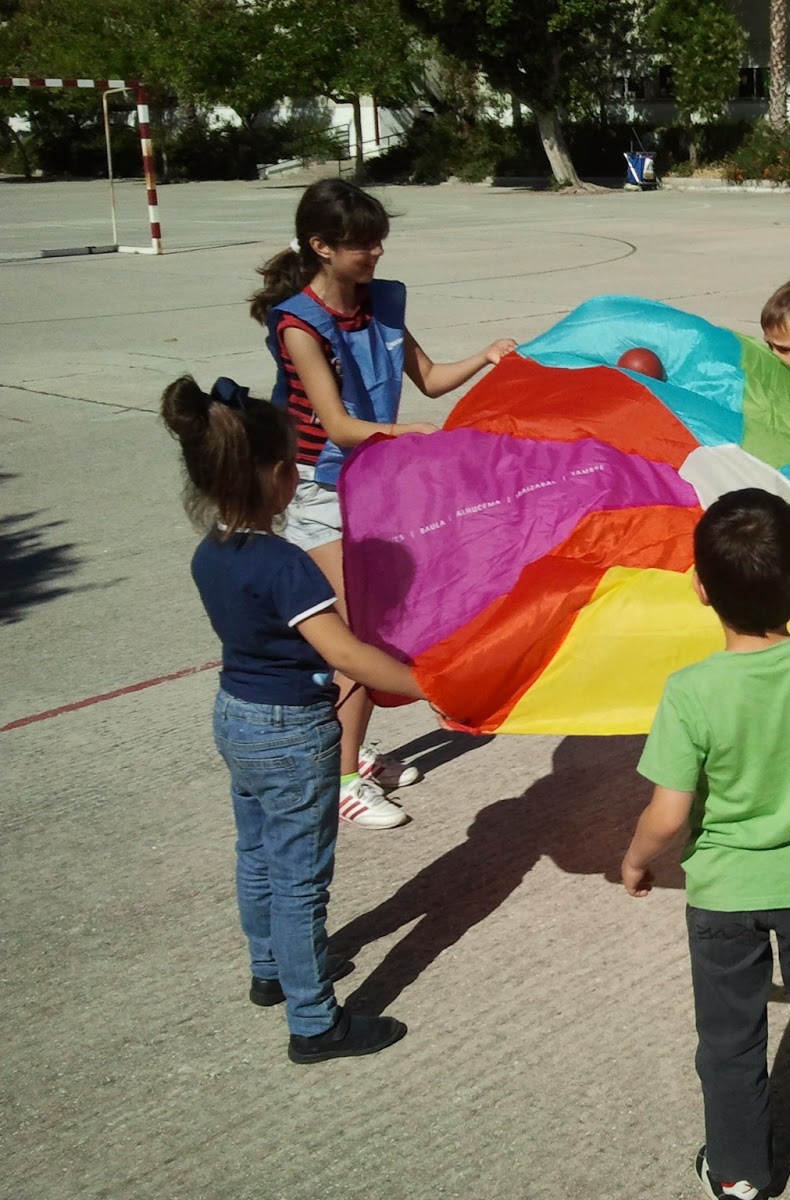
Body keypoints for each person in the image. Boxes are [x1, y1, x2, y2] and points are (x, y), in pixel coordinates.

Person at [620, 488, 790, 1200]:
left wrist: (637, 859)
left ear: (701, 589)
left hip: (722, 898)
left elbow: (669, 812)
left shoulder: (690, 691)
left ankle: (739, 1172)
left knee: (729, 1037)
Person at [160, 374, 435, 1062]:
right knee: (300, 879)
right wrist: (430, 684)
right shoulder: (287, 566)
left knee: (255, 853)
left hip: (237, 716)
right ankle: (315, 1021)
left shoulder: (209, 554)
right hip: (293, 733)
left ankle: (269, 971)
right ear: (283, 477)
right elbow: (348, 656)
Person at [249, 178, 517, 829]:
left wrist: (484, 358)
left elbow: (426, 380)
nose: (374, 256)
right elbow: (339, 426)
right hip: (321, 491)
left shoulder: (381, 306)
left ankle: (352, 752)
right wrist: (410, 438)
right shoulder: (300, 326)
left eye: (378, 243)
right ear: (321, 246)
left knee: (385, 629)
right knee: (363, 637)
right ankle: (341, 780)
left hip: (379, 487)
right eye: (361, 246)